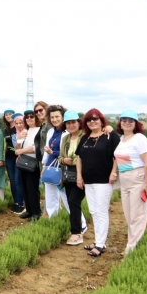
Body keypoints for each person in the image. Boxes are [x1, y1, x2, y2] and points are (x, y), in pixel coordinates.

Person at [76, 109, 120, 257]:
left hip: (103, 180)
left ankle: (100, 244)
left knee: (101, 211)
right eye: (88, 120)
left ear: (101, 120)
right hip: (88, 181)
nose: (92, 122)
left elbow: (117, 156)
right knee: (94, 211)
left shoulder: (109, 136)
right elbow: (79, 158)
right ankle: (98, 240)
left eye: (95, 119)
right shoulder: (85, 138)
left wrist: (114, 172)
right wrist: (79, 177)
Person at [113, 109, 147, 255]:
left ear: (136, 123)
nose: (127, 123)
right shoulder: (122, 139)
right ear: (120, 122)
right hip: (125, 180)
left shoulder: (139, 139)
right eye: (124, 120)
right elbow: (117, 158)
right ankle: (133, 245)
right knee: (129, 216)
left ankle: (131, 250)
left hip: (138, 178)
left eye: (131, 120)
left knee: (138, 216)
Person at [59, 110, 89, 246]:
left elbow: (86, 155)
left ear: (79, 122)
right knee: (72, 203)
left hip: (82, 173)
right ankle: (78, 229)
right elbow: (60, 156)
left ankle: (76, 233)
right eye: (68, 123)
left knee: (73, 201)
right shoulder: (65, 138)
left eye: (73, 122)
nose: (71, 125)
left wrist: (75, 163)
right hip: (68, 174)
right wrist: (64, 160)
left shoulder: (86, 136)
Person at [41, 105, 69, 218]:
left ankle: (78, 223)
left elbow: (64, 153)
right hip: (50, 167)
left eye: (57, 116)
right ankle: (52, 217)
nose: (54, 120)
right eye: (52, 117)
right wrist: (44, 166)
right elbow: (47, 150)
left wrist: (53, 153)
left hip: (62, 167)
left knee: (65, 195)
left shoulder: (67, 132)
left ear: (63, 117)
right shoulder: (51, 131)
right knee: (50, 195)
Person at [15, 110, 42, 221]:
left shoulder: (40, 131)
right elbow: (17, 146)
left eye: (32, 116)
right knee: (25, 187)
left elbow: (35, 148)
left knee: (32, 189)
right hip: (24, 161)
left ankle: (36, 212)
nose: (29, 118)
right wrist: (19, 138)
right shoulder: (26, 131)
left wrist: (21, 152)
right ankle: (29, 210)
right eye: (27, 117)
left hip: (33, 162)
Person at [4, 110, 24, 213]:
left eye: (10, 114)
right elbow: (5, 145)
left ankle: (21, 202)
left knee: (18, 180)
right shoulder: (6, 130)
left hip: (19, 157)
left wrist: (19, 153)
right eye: (6, 115)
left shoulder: (21, 130)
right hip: (9, 158)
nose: (8, 116)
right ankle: (16, 202)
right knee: (12, 180)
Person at [10, 113, 27, 214]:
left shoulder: (29, 132)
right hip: (20, 160)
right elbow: (18, 148)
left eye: (21, 123)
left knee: (28, 183)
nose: (19, 125)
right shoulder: (15, 136)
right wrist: (19, 137)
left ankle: (25, 203)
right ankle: (20, 203)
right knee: (17, 181)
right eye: (16, 123)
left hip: (30, 161)